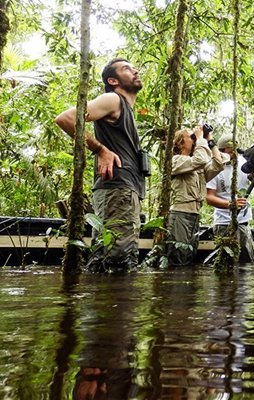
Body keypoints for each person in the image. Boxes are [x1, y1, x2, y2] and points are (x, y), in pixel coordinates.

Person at [55, 58, 145, 273]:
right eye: (127, 68)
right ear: (113, 80)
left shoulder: (126, 110)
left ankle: (101, 302)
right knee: (118, 259)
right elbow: (66, 119)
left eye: (133, 67)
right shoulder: (113, 99)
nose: (135, 70)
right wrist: (100, 150)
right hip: (117, 189)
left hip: (122, 189)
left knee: (106, 257)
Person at [166, 125, 227, 266]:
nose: (194, 139)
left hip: (194, 215)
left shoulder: (196, 166)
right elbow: (200, 160)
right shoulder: (175, 161)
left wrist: (209, 141)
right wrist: (199, 138)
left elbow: (219, 163)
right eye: (190, 137)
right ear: (180, 142)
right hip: (180, 214)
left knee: (189, 255)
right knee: (178, 256)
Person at [205, 135, 254, 262]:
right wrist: (230, 204)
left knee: (246, 263)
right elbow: (209, 197)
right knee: (225, 263)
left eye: (234, 150)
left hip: (243, 222)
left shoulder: (245, 164)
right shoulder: (215, 167)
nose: (232, 154)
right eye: (228, 151)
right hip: (223, 223)